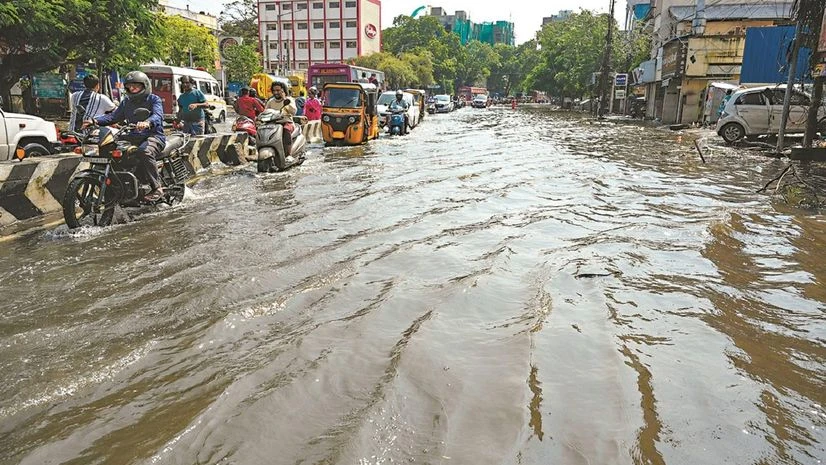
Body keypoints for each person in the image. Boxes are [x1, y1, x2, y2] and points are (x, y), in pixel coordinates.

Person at [86, 70, 166, 202]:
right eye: (130, 86)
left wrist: (147, 122)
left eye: (136, 86)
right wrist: (94, 121)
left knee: (144, 151)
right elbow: (114, 116)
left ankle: (157, 187)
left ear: (145, 86)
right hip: (132, 135)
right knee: (110, 147)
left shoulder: (154, 99)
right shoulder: (126, 102)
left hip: (153, 136)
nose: (132, 89)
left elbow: (158, 115)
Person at [265, 81, 297, 156]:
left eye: (278, 90)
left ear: (283, 90)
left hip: (287, 122)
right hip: (273, 124)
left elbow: (294, 111)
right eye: (274, 90)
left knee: (286, 130)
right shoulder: (270, 101)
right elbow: (265, 111)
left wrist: (284, 99)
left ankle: (288, 155)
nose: (276, 92)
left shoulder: (289, 100)